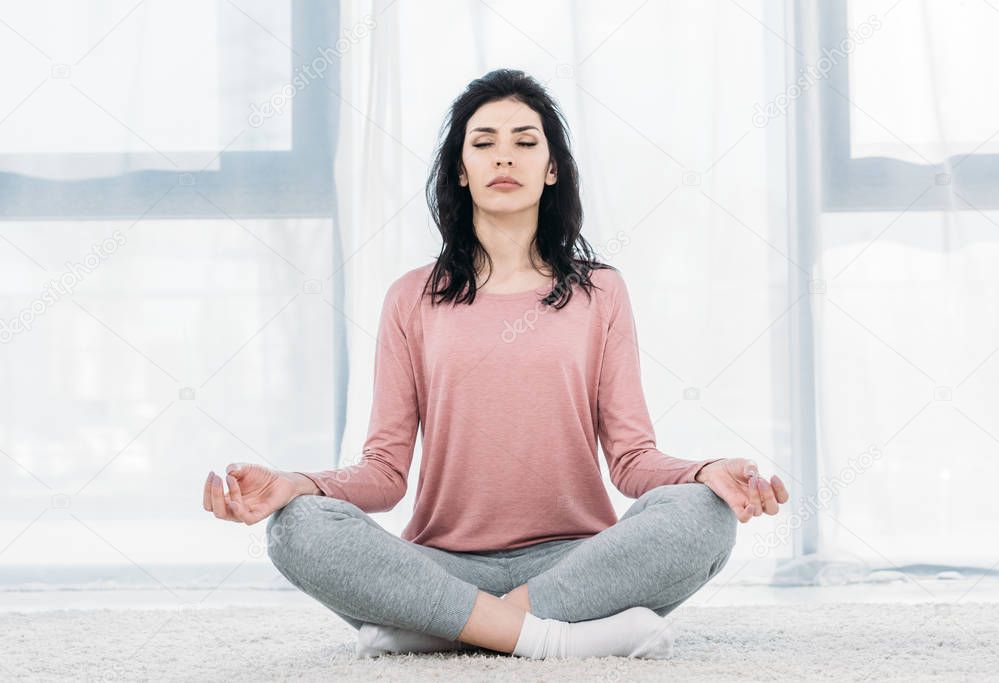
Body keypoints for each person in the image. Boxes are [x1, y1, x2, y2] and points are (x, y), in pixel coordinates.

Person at [202, 68, 789, 660]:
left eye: (525, 142)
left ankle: (443, 632)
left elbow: (633, 460)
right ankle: (554, 639)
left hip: (575, 565)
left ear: (552, 167)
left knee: (702, 515)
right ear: (461, 170)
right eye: (483, 143)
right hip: (441, 566)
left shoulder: (602, 292)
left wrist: (706, 471)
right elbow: (384, 472)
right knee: (297, 527)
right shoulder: (412, 297)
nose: (503, 157)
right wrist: (297, 485)